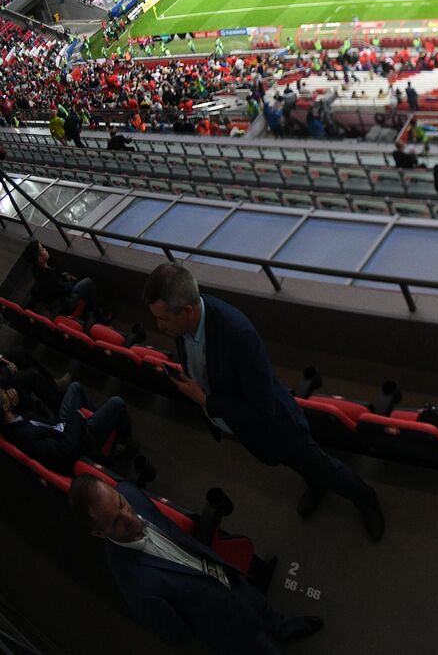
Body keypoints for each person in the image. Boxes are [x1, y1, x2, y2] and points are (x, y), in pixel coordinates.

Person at [142, 264, 384, 541]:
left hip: (277, 425)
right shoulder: (185, 326)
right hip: (245, 426)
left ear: (186, 311)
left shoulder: (237, 335)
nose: (159, 327)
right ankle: (316, 485)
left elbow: (262, 408)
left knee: (321, 465)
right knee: (299, 465)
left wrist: (204, 400)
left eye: (163, 319)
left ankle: (364, 496)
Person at [70, 475, 324, 654]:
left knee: (261, 605)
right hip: (225, 626)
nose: (131, 518)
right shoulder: (136, 587)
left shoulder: (130, 493)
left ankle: (282, 628)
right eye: (116, 522)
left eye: (121, 504)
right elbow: (175, 634)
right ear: (99, 534)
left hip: (224, 574)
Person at [1, 381, 135, 473]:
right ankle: (124, 442)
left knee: (75, 387)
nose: (3, 389)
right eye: (1, 391)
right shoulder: (24, 435)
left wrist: (15, 405)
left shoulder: (13, 418)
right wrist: (75, 419)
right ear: (4, 407)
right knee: (117, 403)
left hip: (60, 428)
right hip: (78, 442)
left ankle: (102, 418)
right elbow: (66, 452)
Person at [23, 240, 104, 329]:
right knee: (88, 282)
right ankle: (96, 314)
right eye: (42, 249)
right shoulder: (49, 276)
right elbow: (66, 288)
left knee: (72, 279)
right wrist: (70, 281)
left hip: (56, 300)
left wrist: (64, 276)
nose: (45, 249)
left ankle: (89, 311)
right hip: (64, 303)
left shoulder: (37, 270)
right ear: (40, 259)